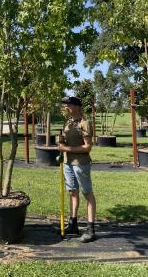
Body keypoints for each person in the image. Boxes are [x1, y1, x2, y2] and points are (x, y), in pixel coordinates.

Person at [58, 96, 96, 243]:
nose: (66, 107)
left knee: (87, 193)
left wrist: (67, 148)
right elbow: (65, 138)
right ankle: (73, 224)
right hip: (68, 163)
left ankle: (91, 229)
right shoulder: (68, 122)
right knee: (72, 192)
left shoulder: (84, 123)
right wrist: (61, 141)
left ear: (77, 106)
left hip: (81, 164)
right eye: (66, 104)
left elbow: (88, 147)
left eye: (69, 104)